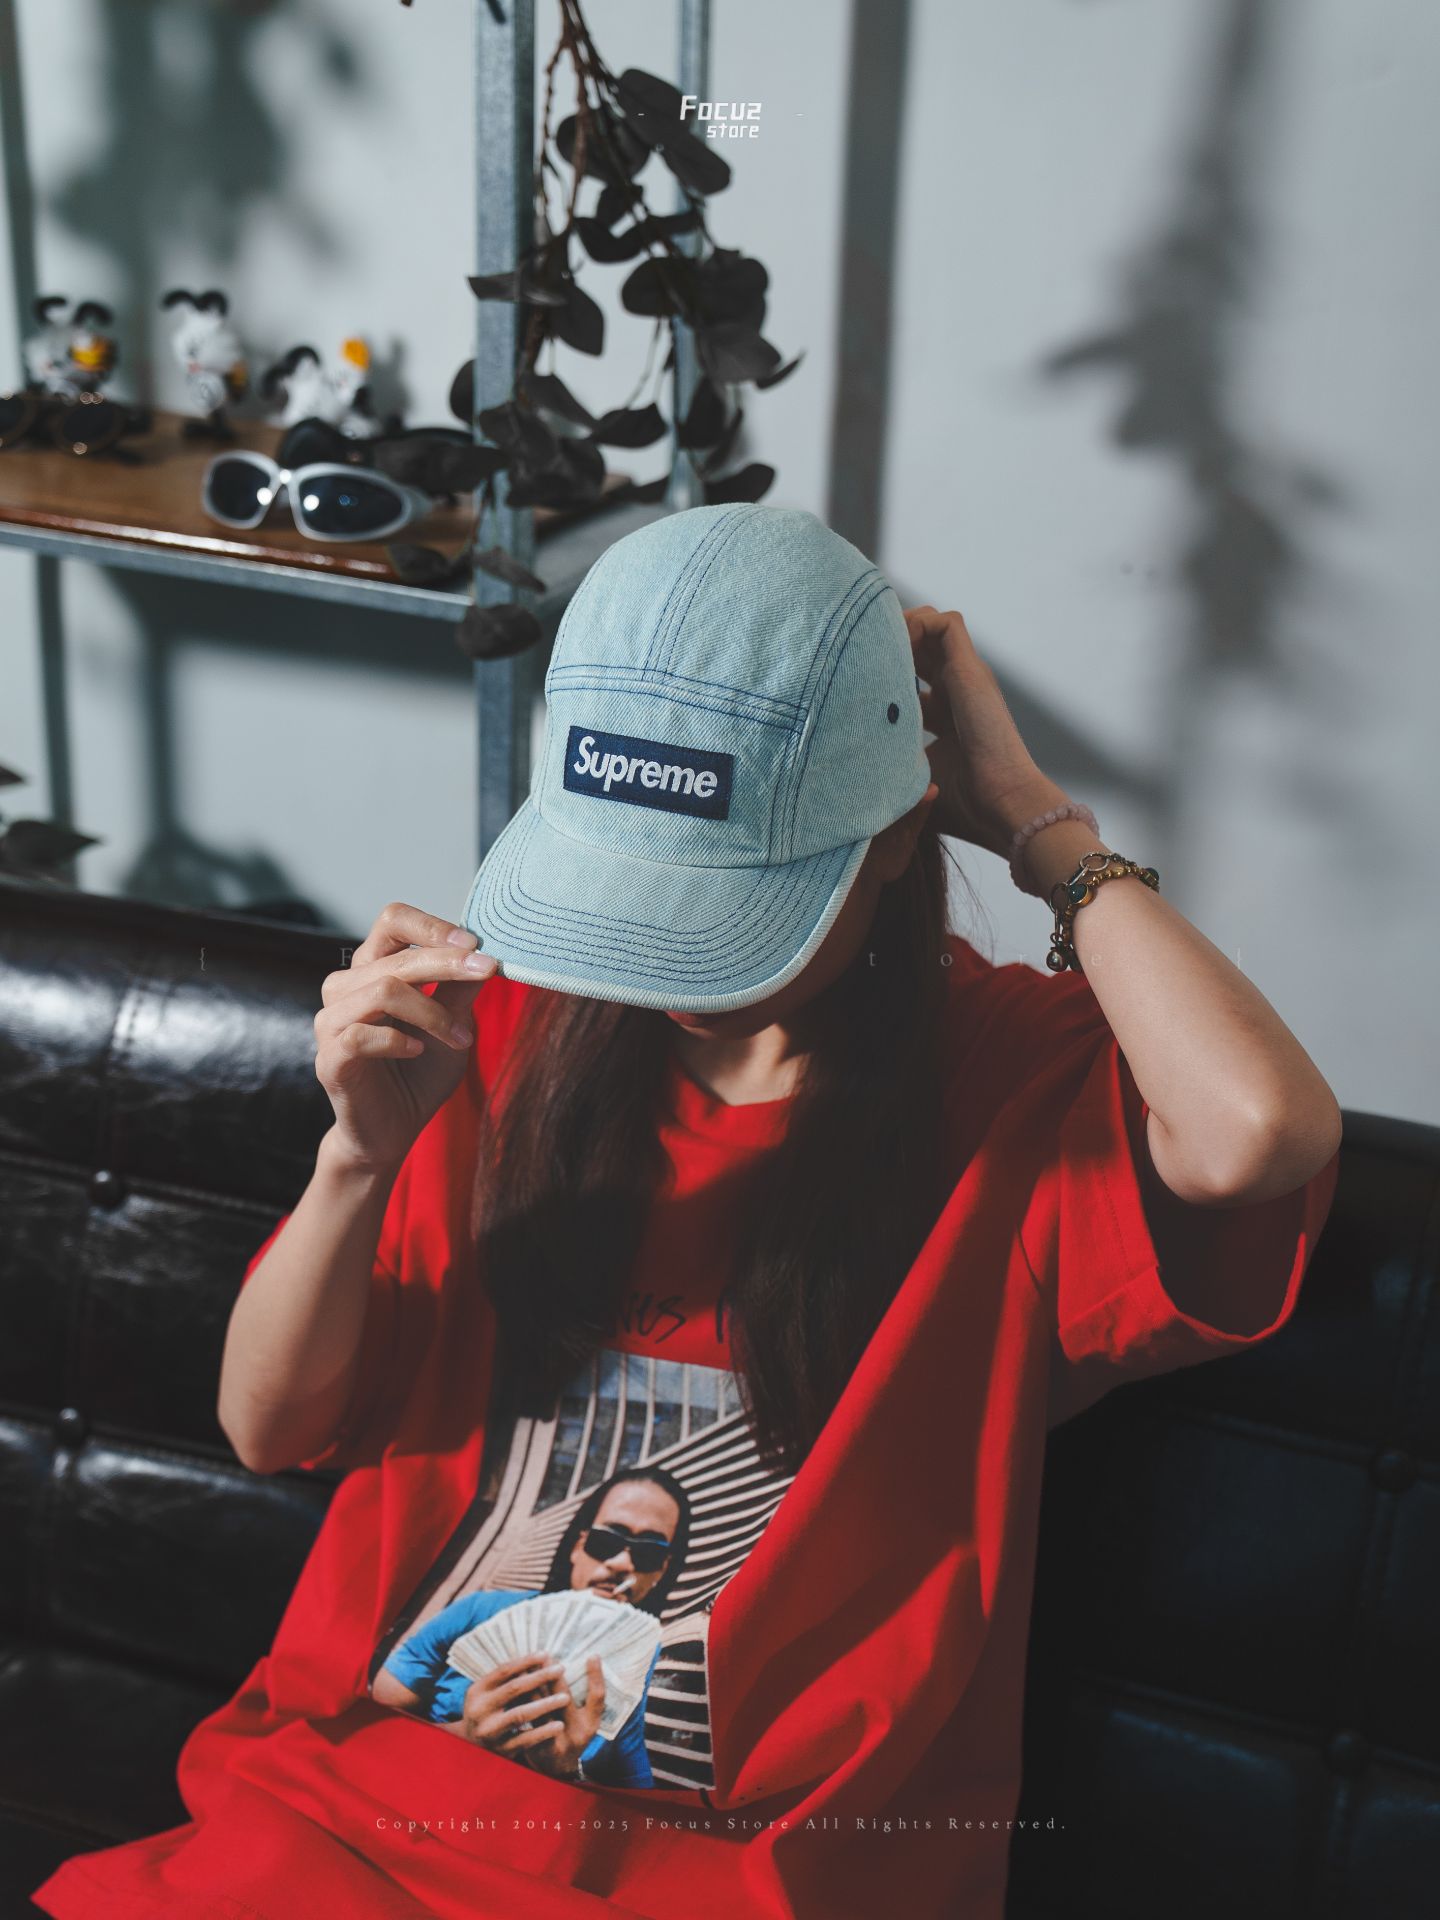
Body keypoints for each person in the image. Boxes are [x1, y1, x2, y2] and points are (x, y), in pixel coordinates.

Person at [31, 504, 1343, 1920]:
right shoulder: (508, 1030)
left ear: (896, 834)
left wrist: (1040, 825)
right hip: (338, 1832)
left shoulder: (1016, 1087)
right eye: (631, 879)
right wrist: (357, 1155)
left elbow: (1259, 1133)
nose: (663, 955)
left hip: (742, 1887)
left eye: (723, 899)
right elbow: (268, 1427)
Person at [372, 1467, 686, 1788]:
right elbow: (373, 1722)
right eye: (606, 1541)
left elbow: (633, 1798)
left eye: (649, 1553)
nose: (622, 1564)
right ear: (578, 1547)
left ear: (661, 1571)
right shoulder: (479, 1610)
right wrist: (463, 1736)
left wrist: (567, 1772)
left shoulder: (643, 1668)